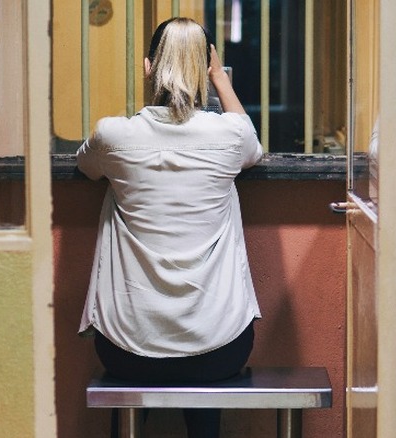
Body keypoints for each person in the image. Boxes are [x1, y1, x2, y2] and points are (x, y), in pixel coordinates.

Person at [76, 17, 263, 438]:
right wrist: (219, 79)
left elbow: (86, 167)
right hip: (222, 347)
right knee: (206, 380)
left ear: (147, 68)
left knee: (131, 392)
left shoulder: (113, 134)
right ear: (206, 69)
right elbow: (253, 144)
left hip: (126, 348)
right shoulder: (230, 135)